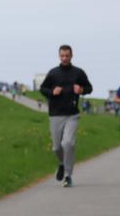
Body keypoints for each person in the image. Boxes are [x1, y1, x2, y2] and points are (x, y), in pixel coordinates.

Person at [39, 45, 93, 188]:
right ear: (59, 56)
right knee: (56, 148)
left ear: (71, 56)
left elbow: (89, 88)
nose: (64, 58)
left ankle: (68, 175)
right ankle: (62, 163)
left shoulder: (78, 73)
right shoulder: (53, 73)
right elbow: (42, 89)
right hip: (55, 114)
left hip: (72, 115)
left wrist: (81, 90)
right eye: (62, 55)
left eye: (67, 55)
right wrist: (52, 92)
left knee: (67, 143)